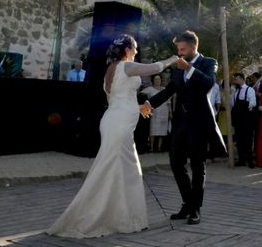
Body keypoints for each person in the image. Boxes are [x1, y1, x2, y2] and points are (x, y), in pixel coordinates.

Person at [47, 35, 178, 238]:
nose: (137, 49)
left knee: (124, 170)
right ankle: (102, 217)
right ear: (127, 49)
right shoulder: (126, 66)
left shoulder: (112, 69)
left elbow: (119, 101)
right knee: (116, 168)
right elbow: (155, 68)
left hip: (113, 120)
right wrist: (173, 59)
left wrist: (139, 107)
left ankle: (121, 217)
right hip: (119, 124)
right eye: (134, 46)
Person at [141, 31, 226, 225]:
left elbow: (208, 83)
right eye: (178, 49)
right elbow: (170, 89)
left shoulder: (208, 62)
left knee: (197, 166)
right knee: (175, 162)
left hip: (199, 123)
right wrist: (150, 104)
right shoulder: (178, 67)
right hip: (180, 123)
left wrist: (189, 68)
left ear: (193, 46)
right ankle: (188, 202)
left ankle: (195, 208)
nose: (179, 53)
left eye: (182, 49)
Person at [230, 72, 257, 168]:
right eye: (235, 79)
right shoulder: (235, 91)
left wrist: (247, 107)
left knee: (248, 140)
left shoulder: (249, 90)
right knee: (239, 139)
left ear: (242, 79)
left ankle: (250, 160)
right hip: (238, 119)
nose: (235, 81)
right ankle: (241, 159)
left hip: (247, 119)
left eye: (236, 79)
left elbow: (253, 102)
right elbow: (232, 104)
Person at [140, 74, 170, 152]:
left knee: (162, 130)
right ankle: (152, 147)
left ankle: (159, 147)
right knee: (153, 129)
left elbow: (168, 102)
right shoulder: (149, 89)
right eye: (156, 79)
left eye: (159, 79)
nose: (157, 81)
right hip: (154, 111)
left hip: (164, 110)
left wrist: (170, 112)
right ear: (153, 81)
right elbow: (140, 94)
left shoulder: (164, 89)